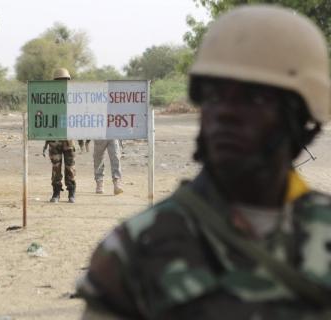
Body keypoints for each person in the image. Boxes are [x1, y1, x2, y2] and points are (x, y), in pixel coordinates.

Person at [77, 5, 331, 319]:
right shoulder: (136, 251)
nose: (225, 113)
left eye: (254, 98)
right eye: (214, 95)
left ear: (300, 118)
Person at [44, 68, 77, 203]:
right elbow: (45, 118)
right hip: (54, 138)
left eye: (64, 80)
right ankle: (56, 192)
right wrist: (46, 139)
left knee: (70, 167)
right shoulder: (49, 98)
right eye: (60, 80)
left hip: (69, 138)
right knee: (56, 168)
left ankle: (71, 193)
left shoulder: (74, 97)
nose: (62, 83)